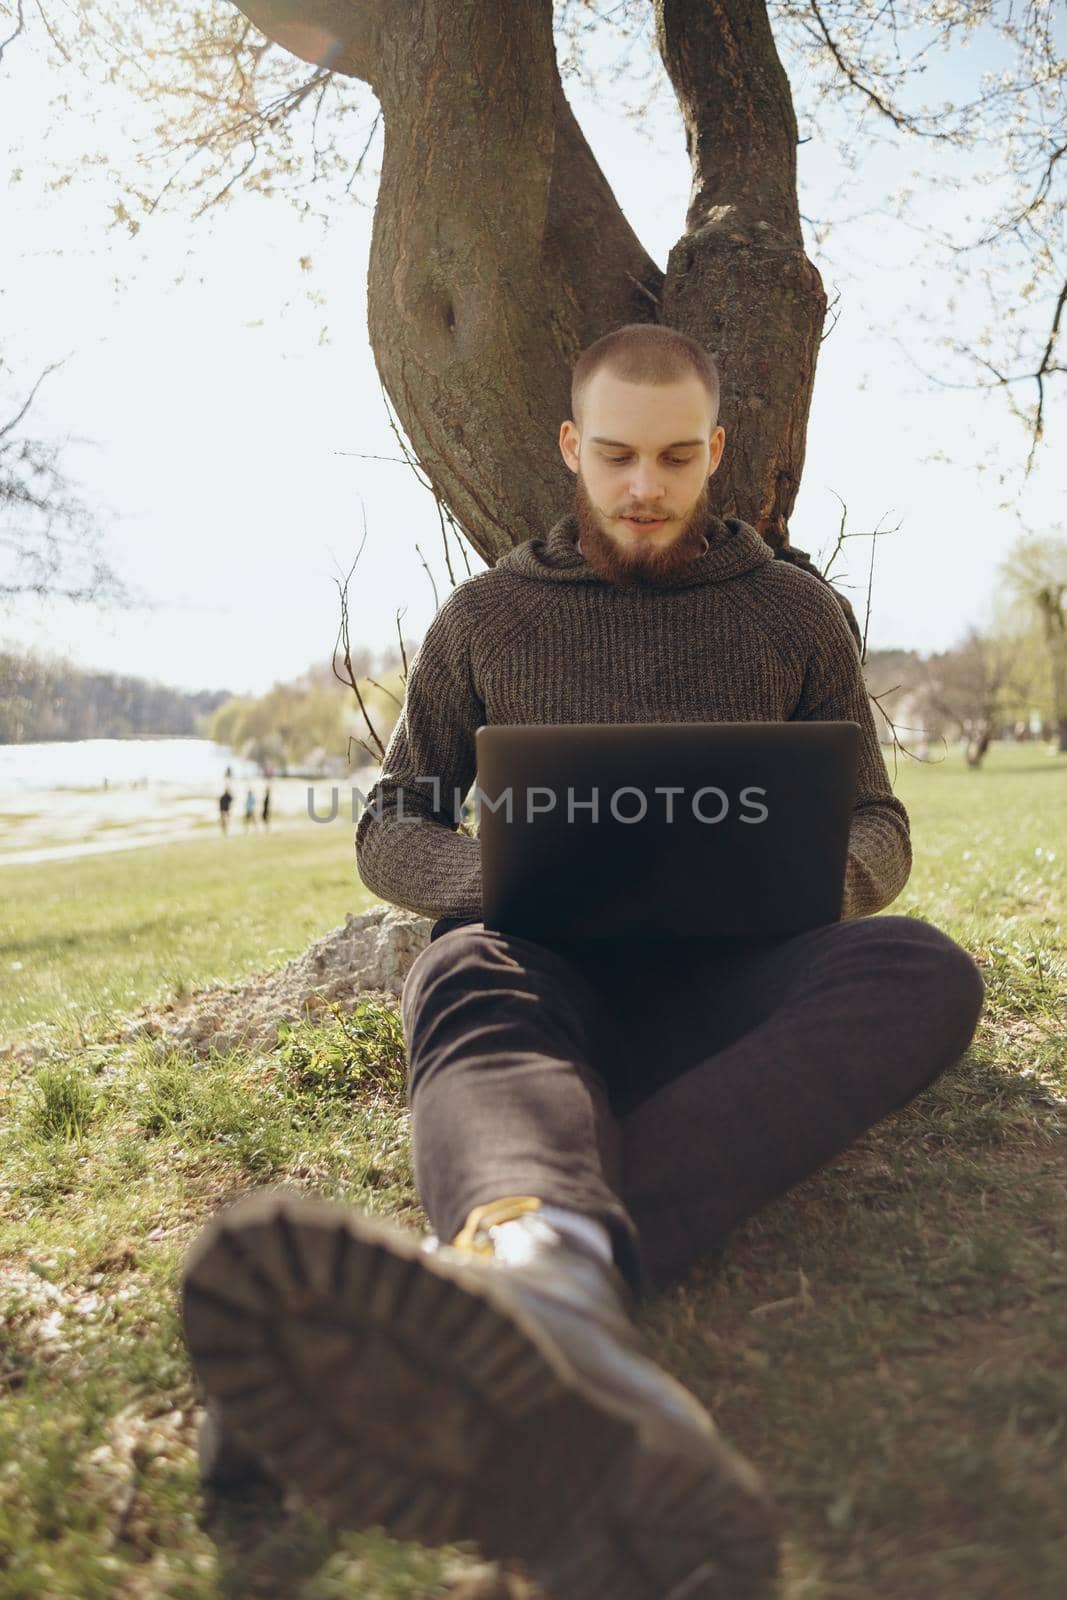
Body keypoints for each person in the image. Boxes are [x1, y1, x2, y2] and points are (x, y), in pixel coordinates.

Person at [181, 325, 985, 1598]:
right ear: (571, 446)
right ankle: (548, 1275)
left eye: (674, 457)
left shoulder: (792, 614)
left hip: (735, 989)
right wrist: (488, 882)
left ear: (716, 452)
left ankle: (518, 1281)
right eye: (613, 455)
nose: (643, 486)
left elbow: (875, 820)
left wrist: (813, 881)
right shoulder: (487, 619)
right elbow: (392, 821)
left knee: (921, 972)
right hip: (544, 970)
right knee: (459, 970)